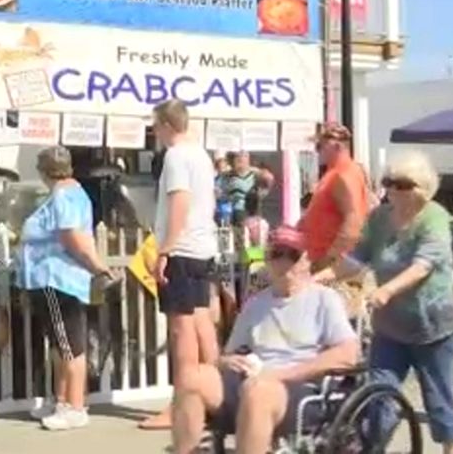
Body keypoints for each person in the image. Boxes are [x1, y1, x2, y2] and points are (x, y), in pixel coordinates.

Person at [319, 151, 453, 454]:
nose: (393, 190)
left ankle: (449, 448)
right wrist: (319, 278)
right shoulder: (379, 218)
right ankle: (375, 448)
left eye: (403, 184)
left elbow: (423, 265)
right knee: (379, 396)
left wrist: (387, 290)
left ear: (422, 188)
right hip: (390, 327)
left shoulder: (434, 217)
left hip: (432, 323)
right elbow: (357, 258)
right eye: (389, 183)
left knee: (438, 397)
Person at [171, 227, 359, 454]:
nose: (284, 263)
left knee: (258, 391)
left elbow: (348, 354)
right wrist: (228, 361)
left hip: (299, 388)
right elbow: (227, 355)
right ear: (268, 262)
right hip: (251, 379)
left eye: (292, 255)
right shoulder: (255, 304)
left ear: (306, 260)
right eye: (277, 255)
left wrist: (282, 375)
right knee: (191, 377)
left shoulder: (324, 299)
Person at [14, 146, 117, 431]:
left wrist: (97, 266)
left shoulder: (63, 196)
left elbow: (73, 238)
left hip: (57, 278)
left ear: (43, 170)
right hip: (52, 279)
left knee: (70, 346)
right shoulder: (69, 193)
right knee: (62, 345)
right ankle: (61, 401)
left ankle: (74, 406)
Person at [143, 100, 220, 432]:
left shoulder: (175, 156)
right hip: (202, 248)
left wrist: (166, 249)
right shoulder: (200, 154)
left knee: (181, 330)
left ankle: (182, 404)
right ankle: (215, 397)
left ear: (166, 125)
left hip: (183, 249)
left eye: (155, 125)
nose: (154, 132)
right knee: (201, 324)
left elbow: (180, 202)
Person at [297, 123, 369, 315]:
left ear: (337, 145)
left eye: (320, 146)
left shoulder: (345, 174)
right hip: (320, 261)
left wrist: (330, 259)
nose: (317, 151)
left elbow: (354, 220)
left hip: (330, 267)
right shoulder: (333, 173)